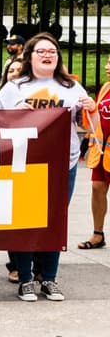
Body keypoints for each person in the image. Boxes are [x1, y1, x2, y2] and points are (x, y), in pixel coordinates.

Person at [0, 33, 94, 303]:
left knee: (54, 220)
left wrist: (88, 108)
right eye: (42, 51)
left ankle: (49, 278)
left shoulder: (70, 87)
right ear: (30, 56)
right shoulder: (16, 86)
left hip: (62, 163)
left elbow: (85, 120)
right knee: (24, 219)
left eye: (53, 51)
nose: (48, 55)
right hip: (26, 163)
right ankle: (24, 279)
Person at [80, 54, 110, 251]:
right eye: (108, 62)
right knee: (97, 188)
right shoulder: (106, 87)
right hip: (101, 153)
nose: (107, 67)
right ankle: (98, 234)